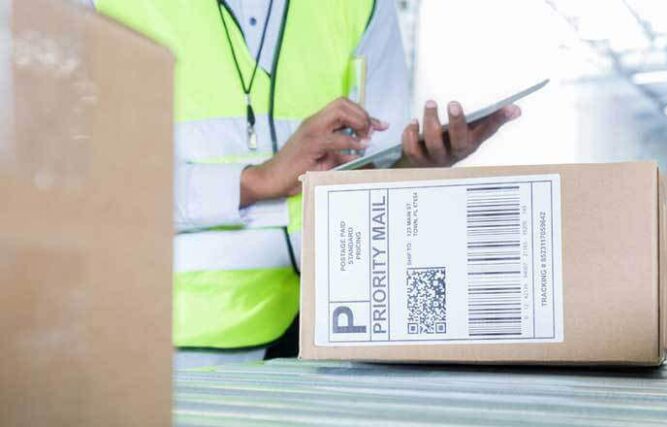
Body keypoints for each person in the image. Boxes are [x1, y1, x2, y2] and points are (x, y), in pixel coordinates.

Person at [85, 0, 520, 368]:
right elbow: (70, 187)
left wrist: (419, 164)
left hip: (327, 339)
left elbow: (372, 168)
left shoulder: (363, 4)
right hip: (161, 350)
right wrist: (256, 181)